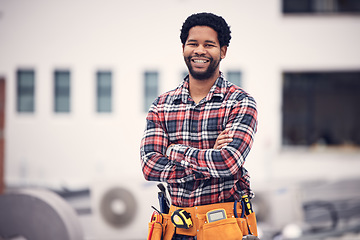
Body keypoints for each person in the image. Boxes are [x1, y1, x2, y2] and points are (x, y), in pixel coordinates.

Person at [140, 12, 258, 240]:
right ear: (183, 48)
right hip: (175, 228)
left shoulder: (240, 102)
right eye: (192, 43)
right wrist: (208, 157)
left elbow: (228, 162)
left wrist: (173, 151)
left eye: (209, 44)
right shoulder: (162, 105)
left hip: (223, 227)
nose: (200, 51)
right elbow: (149, 166)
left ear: (223, 51)